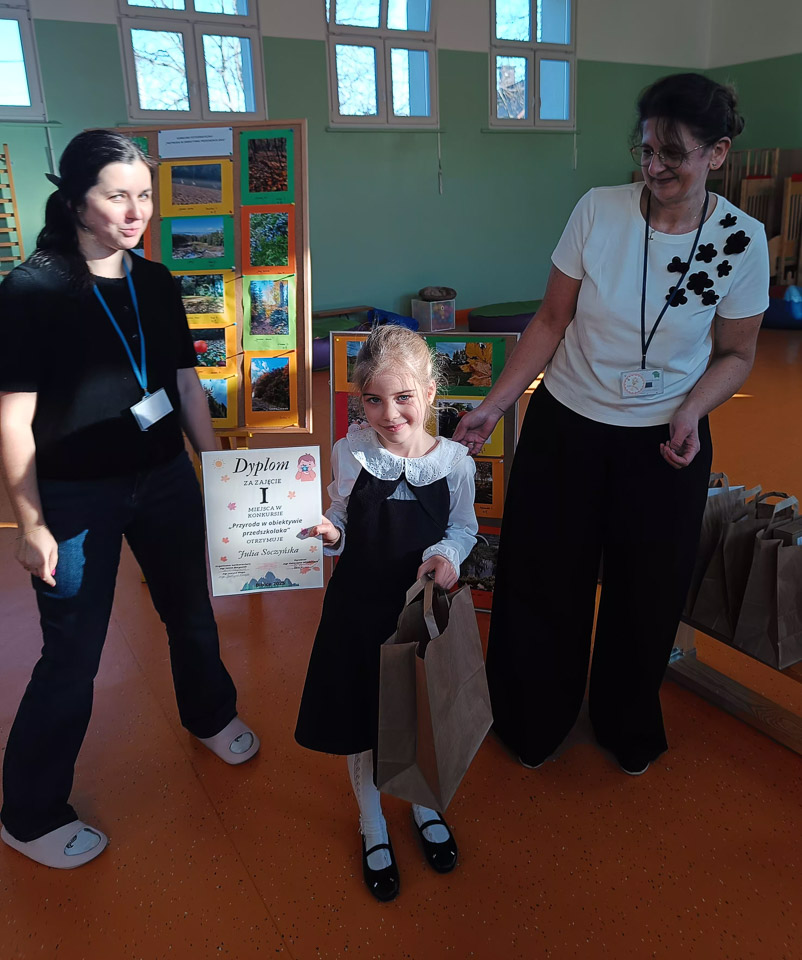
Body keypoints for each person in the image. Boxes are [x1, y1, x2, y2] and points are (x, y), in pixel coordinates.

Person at [454, 73, 769, 776]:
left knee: (647, 590)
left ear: (717, 153)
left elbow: (738, 354)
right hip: (568, 425)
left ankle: (626, 718)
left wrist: (692, 408)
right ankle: (532, 717)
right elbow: (550, 320)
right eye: (646, 149)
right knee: (544, 577)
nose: (653, 166)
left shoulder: (741, 241)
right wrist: (495, 405)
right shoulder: (598, 210)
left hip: (663, 443)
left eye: (673, 153)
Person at [0, 130, 259, 870]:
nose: (136, 210)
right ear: (76, 200)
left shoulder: (157, 282)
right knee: (73, 654)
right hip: (74, 496)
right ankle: (28, 814)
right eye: (118, 196)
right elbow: (13, 419)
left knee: (191, 612)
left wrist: (220, 471)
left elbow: (185, 386)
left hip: (164, 477)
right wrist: (31, 523)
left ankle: (210, 714)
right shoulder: (30, 291)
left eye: (144, 195)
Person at [295, 325, 477, 902]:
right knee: (363, 716)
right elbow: (342, 518)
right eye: (373, 400)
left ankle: (422, 802)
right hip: (357, 608)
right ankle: (371, 819)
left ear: (429, 392)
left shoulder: (454, 462)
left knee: (416, 709)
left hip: (417, 612)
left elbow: (463, 529)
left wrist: (446, 556)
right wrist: (330, 533)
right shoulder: (350, 453)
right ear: (360, 401)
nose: (389, 414)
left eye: (402, 397)